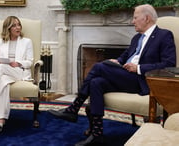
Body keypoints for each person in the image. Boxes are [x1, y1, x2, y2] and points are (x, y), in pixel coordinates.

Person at [48, 4, 176, 146]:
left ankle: (74, 108)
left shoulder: (164, 35)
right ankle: (97, 133)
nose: (132, 21)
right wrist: (117, 61)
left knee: (98, 67)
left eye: (135, 18)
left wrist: (138, 68)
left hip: (142, 80)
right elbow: (125, 57)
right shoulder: (136, 38)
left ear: (146, 18)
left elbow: (168, 64)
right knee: (96, 82)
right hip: (126, 76)